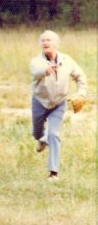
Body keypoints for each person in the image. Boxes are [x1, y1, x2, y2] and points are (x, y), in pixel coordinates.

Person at [30, 30, 87, 181]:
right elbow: (35, 71)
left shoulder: (67, 60)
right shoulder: (37, 61)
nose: (45, 42)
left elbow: (80, 76)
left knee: (54, 134)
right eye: (43, 40)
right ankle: (41, 138)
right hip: (40, 102)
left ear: (56, 43)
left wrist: (81, 93)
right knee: (37, 132)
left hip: (59, 104)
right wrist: (45, 70)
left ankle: (53, 173)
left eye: (48, 40)